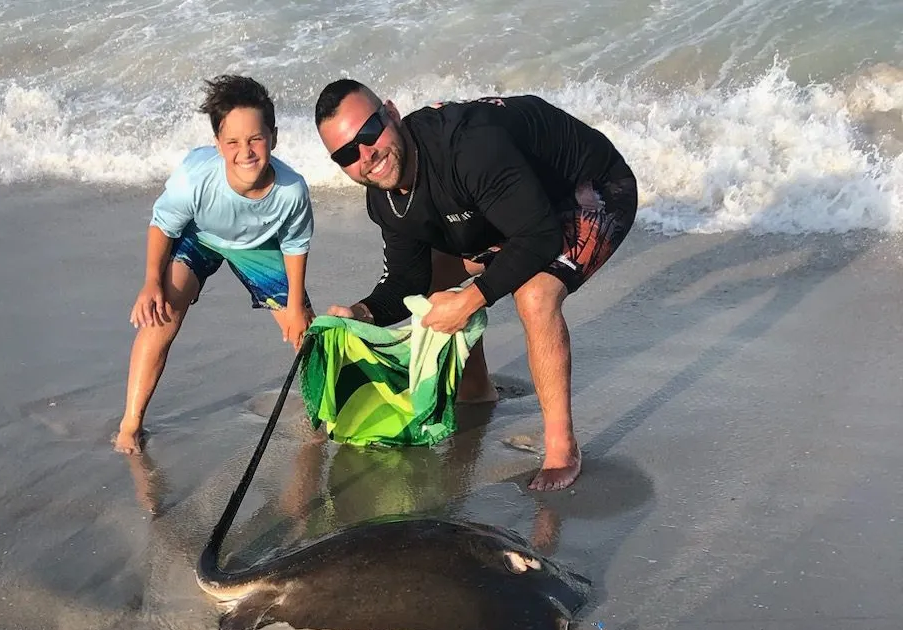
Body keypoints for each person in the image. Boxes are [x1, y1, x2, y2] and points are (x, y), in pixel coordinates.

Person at [314, 79, 638, 492]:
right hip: (508, 211)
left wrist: (469, 300)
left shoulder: (468, 146)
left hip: (588, 189)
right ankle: (477, 391)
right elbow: (406, 281)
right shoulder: (384, 199)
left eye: (368, 133)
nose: (366, 155)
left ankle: (561, 449)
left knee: (535, 295)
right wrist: (361, 312)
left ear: (392, 115)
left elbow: (539, 237)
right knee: (437, 281)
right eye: (346, 153)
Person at [114, 75, 316, 455]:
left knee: (304, 328)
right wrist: (151, 282)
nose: (246, 151)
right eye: (233, 142)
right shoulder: (196, 178)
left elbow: (295, 244)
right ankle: (130, 424)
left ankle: (324, 415)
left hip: (258, 247)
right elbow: (163, 225)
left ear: (274, 136)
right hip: (200, 235)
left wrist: (294, 306)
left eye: (256, 138)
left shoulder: (292, 191)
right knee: (163, 312)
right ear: (218, 145)